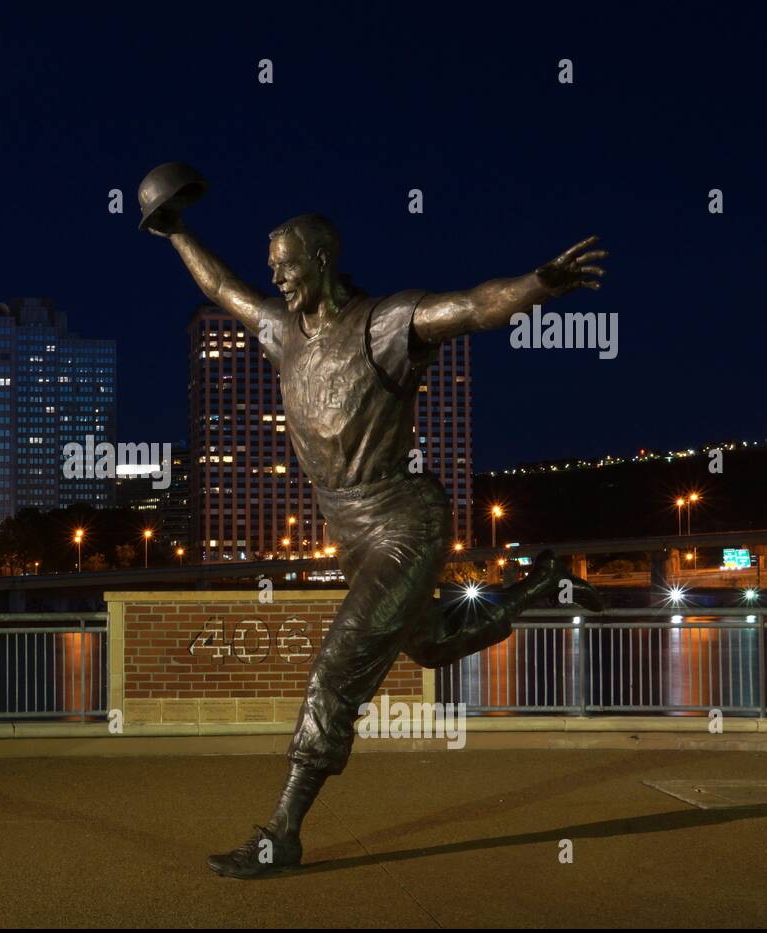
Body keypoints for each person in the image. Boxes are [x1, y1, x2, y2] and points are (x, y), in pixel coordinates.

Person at [146, 204, 607, 878]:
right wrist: (176, 230)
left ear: (322, 259)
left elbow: (474, 306)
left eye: (287, 264)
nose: (277, 279)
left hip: (404, 525)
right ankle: (545, 583)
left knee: (336, 672)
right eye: (271, 268)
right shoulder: (282, 331)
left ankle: (282, 834)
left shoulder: (385, 326)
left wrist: (540, 283)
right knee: (431, 644)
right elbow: (220, 289)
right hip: (351, 534)